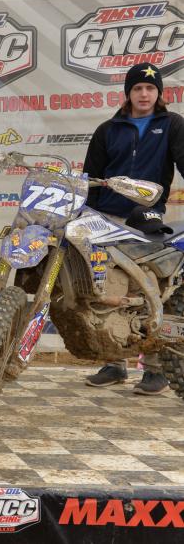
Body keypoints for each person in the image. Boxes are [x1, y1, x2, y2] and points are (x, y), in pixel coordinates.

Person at [82, 62, 184, 394]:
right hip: (106, 219)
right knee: (108, 291)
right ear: (128, 92)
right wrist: (90, 214)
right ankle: (115, 363)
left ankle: (155, 370)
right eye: (138, 88)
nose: (144, 94)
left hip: (147, 219)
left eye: (150, 89)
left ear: (159, 94)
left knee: (149, 289)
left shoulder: (171, 124)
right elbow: (91, 177)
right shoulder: (107, 129)